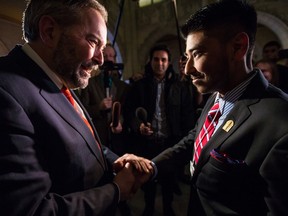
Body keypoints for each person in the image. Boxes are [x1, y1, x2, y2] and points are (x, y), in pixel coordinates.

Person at [117, 0, 288, 215]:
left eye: (197, 54)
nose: (187, 69)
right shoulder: (217, 94)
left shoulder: (281, 124)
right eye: (187, 57)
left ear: (238, 47)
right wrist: (152, 167)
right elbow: (194, 141)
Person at [0, 1, 152, 215]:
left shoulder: (59, 76)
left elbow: (78, 142)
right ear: (49, 31)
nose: (100, 59)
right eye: (93, 42)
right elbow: (32, 210)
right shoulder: (6, 91)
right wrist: (116, 191)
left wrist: (114, 161)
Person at [124, 44, 197, 216]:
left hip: (170, 142)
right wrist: (138, 126)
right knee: (147, 180)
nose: (160, 63)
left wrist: (185, 143)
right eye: (156, 59)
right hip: (147, 143)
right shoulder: (139, 85)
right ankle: (149, 208)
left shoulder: (179, 86)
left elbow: (187, 115)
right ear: (150, 61)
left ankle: (168, 208)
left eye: (163, 60)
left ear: (168, 62)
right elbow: (129, 111)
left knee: (169, 181)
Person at [79, 43, 130, 155]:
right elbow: (81, 111)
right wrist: (99, 107)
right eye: (105, 56)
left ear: (115, 59)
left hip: (118, 140)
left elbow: (125, 111)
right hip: (97, 138)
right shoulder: (89, 84)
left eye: (111, 56)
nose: (108, 59)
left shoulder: (122, 87)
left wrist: (119, 122)